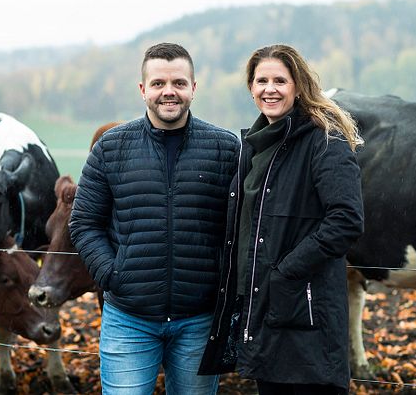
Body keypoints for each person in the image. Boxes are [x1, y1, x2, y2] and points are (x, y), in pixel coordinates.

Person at [69, 42, 239, 395]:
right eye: (159, 83)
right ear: (143, 89)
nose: (169, 92)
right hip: (129, 320)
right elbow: (84, 222)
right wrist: (113, 275)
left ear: (194, 87)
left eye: (178, 82)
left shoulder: (225, 149)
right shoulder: (111, 148)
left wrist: (219, 280)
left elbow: (241, 226)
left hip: (199, 319)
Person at [198, 44, 364, 395]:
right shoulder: (256, 145)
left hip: (307, 314)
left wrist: (286, 271)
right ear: (250, 88)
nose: (269, 88)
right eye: (261, 80)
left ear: (298, 85)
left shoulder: (324, 139)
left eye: (279, 80)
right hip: (264, 310)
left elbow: (347, 219)